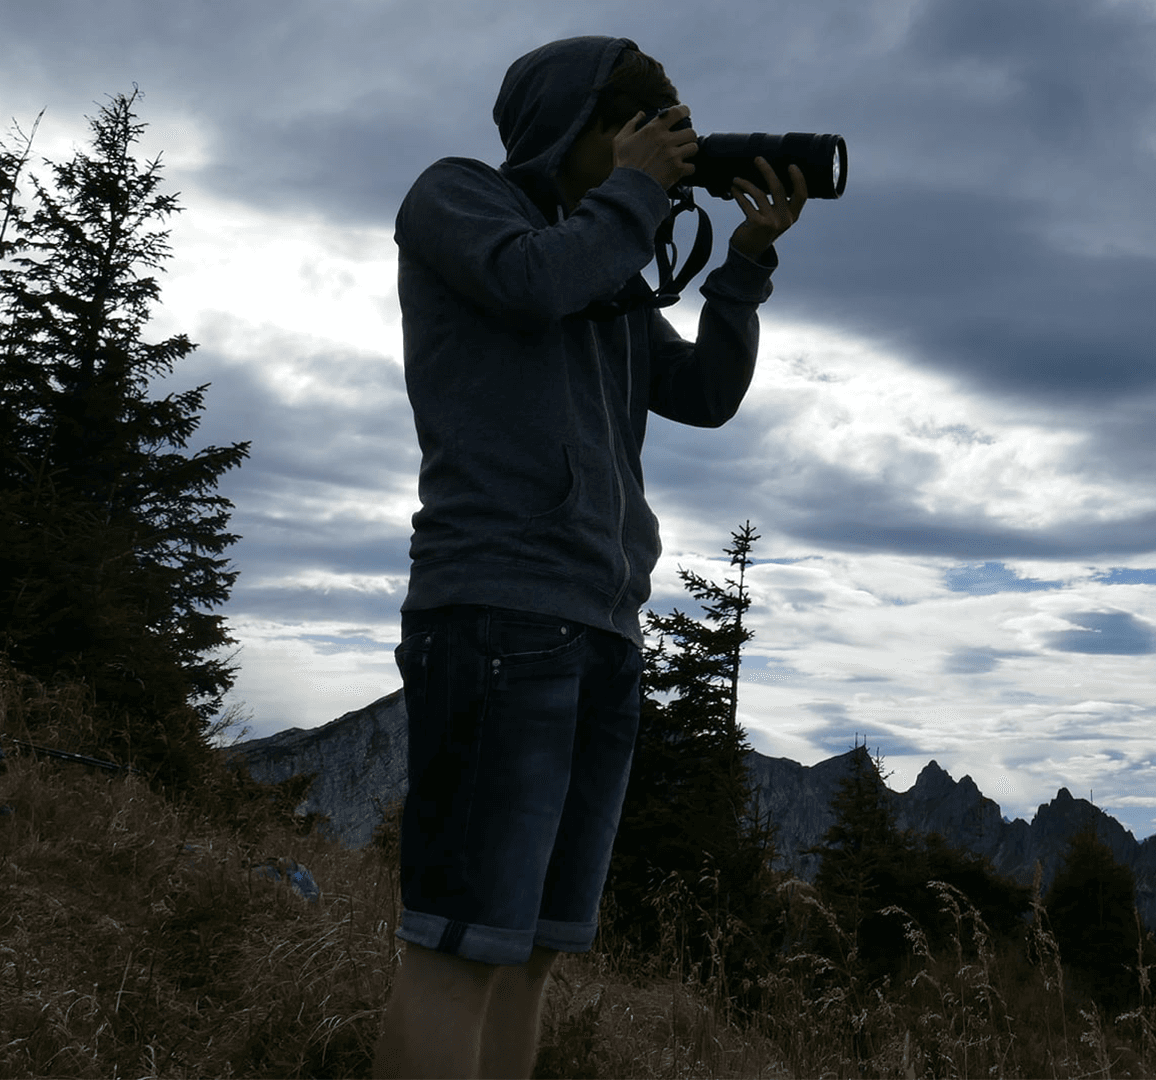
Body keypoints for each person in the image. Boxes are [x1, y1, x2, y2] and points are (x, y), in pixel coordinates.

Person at [373, 35, 806, 1079]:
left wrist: (743, 267)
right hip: (495, 613)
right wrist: (630, 200)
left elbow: (703, 394)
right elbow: (528, 285)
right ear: (576, 126)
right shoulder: (459, 199)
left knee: (529, 959)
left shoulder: (604, 265)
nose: (666, 151)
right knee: (460, 949)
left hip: (603, 629)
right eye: (642, 126)